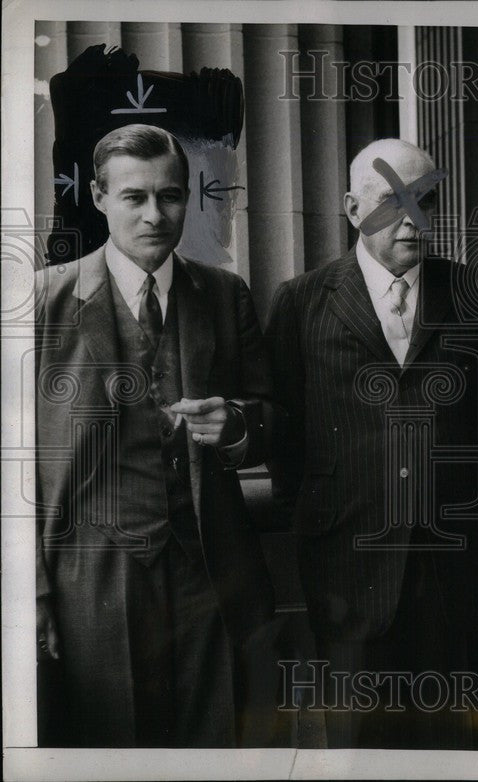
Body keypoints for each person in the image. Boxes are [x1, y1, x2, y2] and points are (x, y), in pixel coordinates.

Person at [265, 138, 478, 749]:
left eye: (425, 199)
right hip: (347, 573)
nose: (412, 218)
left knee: (458, 751)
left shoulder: (477, 293)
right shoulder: (301, 302)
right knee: (358, 752)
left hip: (457, 572)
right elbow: (286, 438)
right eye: (391, 201)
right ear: (354, 209)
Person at [35, 123, 276, 747]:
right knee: (111, 742)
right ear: (98, 196)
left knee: (214, 740)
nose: (154, 215)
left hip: (211, 569)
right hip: (93, 577)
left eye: (169, 196)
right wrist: (32, 594)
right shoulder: (42, 301)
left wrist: (238, 427)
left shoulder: (224, 294)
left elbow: (272, 416)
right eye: (133, 197)